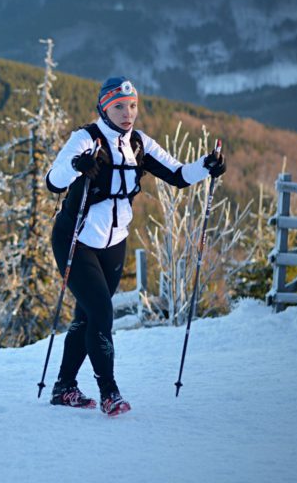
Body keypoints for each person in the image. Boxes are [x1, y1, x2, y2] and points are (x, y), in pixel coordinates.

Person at [45, 77, 226, 416]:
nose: (128, 113)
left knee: (87, 317)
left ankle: (64, 386)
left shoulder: (139, 144)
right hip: (76, 239)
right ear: (104, 107)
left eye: (132, 106)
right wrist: (75, 167)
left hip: (114, 242)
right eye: (119, 107)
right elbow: (53, 181)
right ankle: (109, 392)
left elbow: (178, 174)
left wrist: (208, 165)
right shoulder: (85, 139)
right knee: (101, 312)